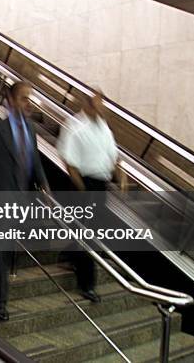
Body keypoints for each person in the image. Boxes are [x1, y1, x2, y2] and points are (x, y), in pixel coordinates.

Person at [0, 81, 49, 321]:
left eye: (29, 99)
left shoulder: (31, 129)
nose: (28, 104)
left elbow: (35, 161)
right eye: (23, 99)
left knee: (6, 249)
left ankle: (1, 289)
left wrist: (44, 186)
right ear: (10, 100)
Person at [56, 90, 119, 303]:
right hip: (83, 184)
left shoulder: (104, 127)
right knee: (88, 234)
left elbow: (114, 155)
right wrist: (82, 189)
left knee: (86, 229)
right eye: (99, 104)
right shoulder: (75, 125)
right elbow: (69, 160)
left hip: (100, 184)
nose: (103, 109)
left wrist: (123, 177)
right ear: (89, 104)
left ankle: (68, 255)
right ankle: (87, 285)